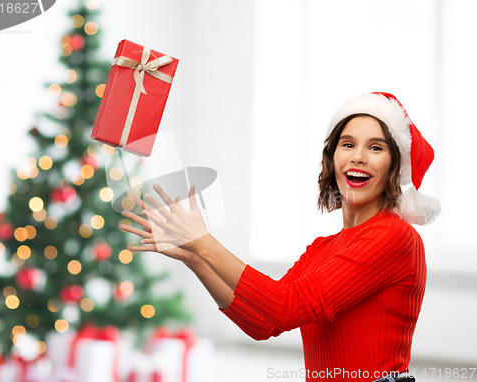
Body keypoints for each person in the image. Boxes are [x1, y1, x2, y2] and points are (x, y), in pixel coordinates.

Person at [120, 92, 441, 382]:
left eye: (375, 147)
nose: (358, 156)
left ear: (395, 168)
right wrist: (194, 257)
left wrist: (204, 242)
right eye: (348, 144)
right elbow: (265, 323)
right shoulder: (323, 249)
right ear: (332, 159)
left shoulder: (395, 237)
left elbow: (288, 307)